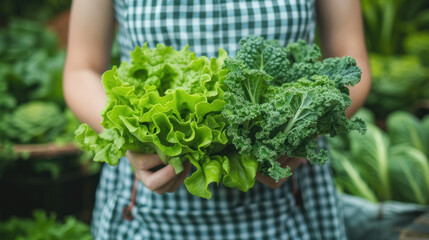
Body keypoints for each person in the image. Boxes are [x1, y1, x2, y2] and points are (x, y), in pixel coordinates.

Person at [63, 0, 371, 239]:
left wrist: (297, 131)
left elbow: (350, 63)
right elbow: (82, 69)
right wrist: (137, 136)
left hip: (287, 201)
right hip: (149, 206)